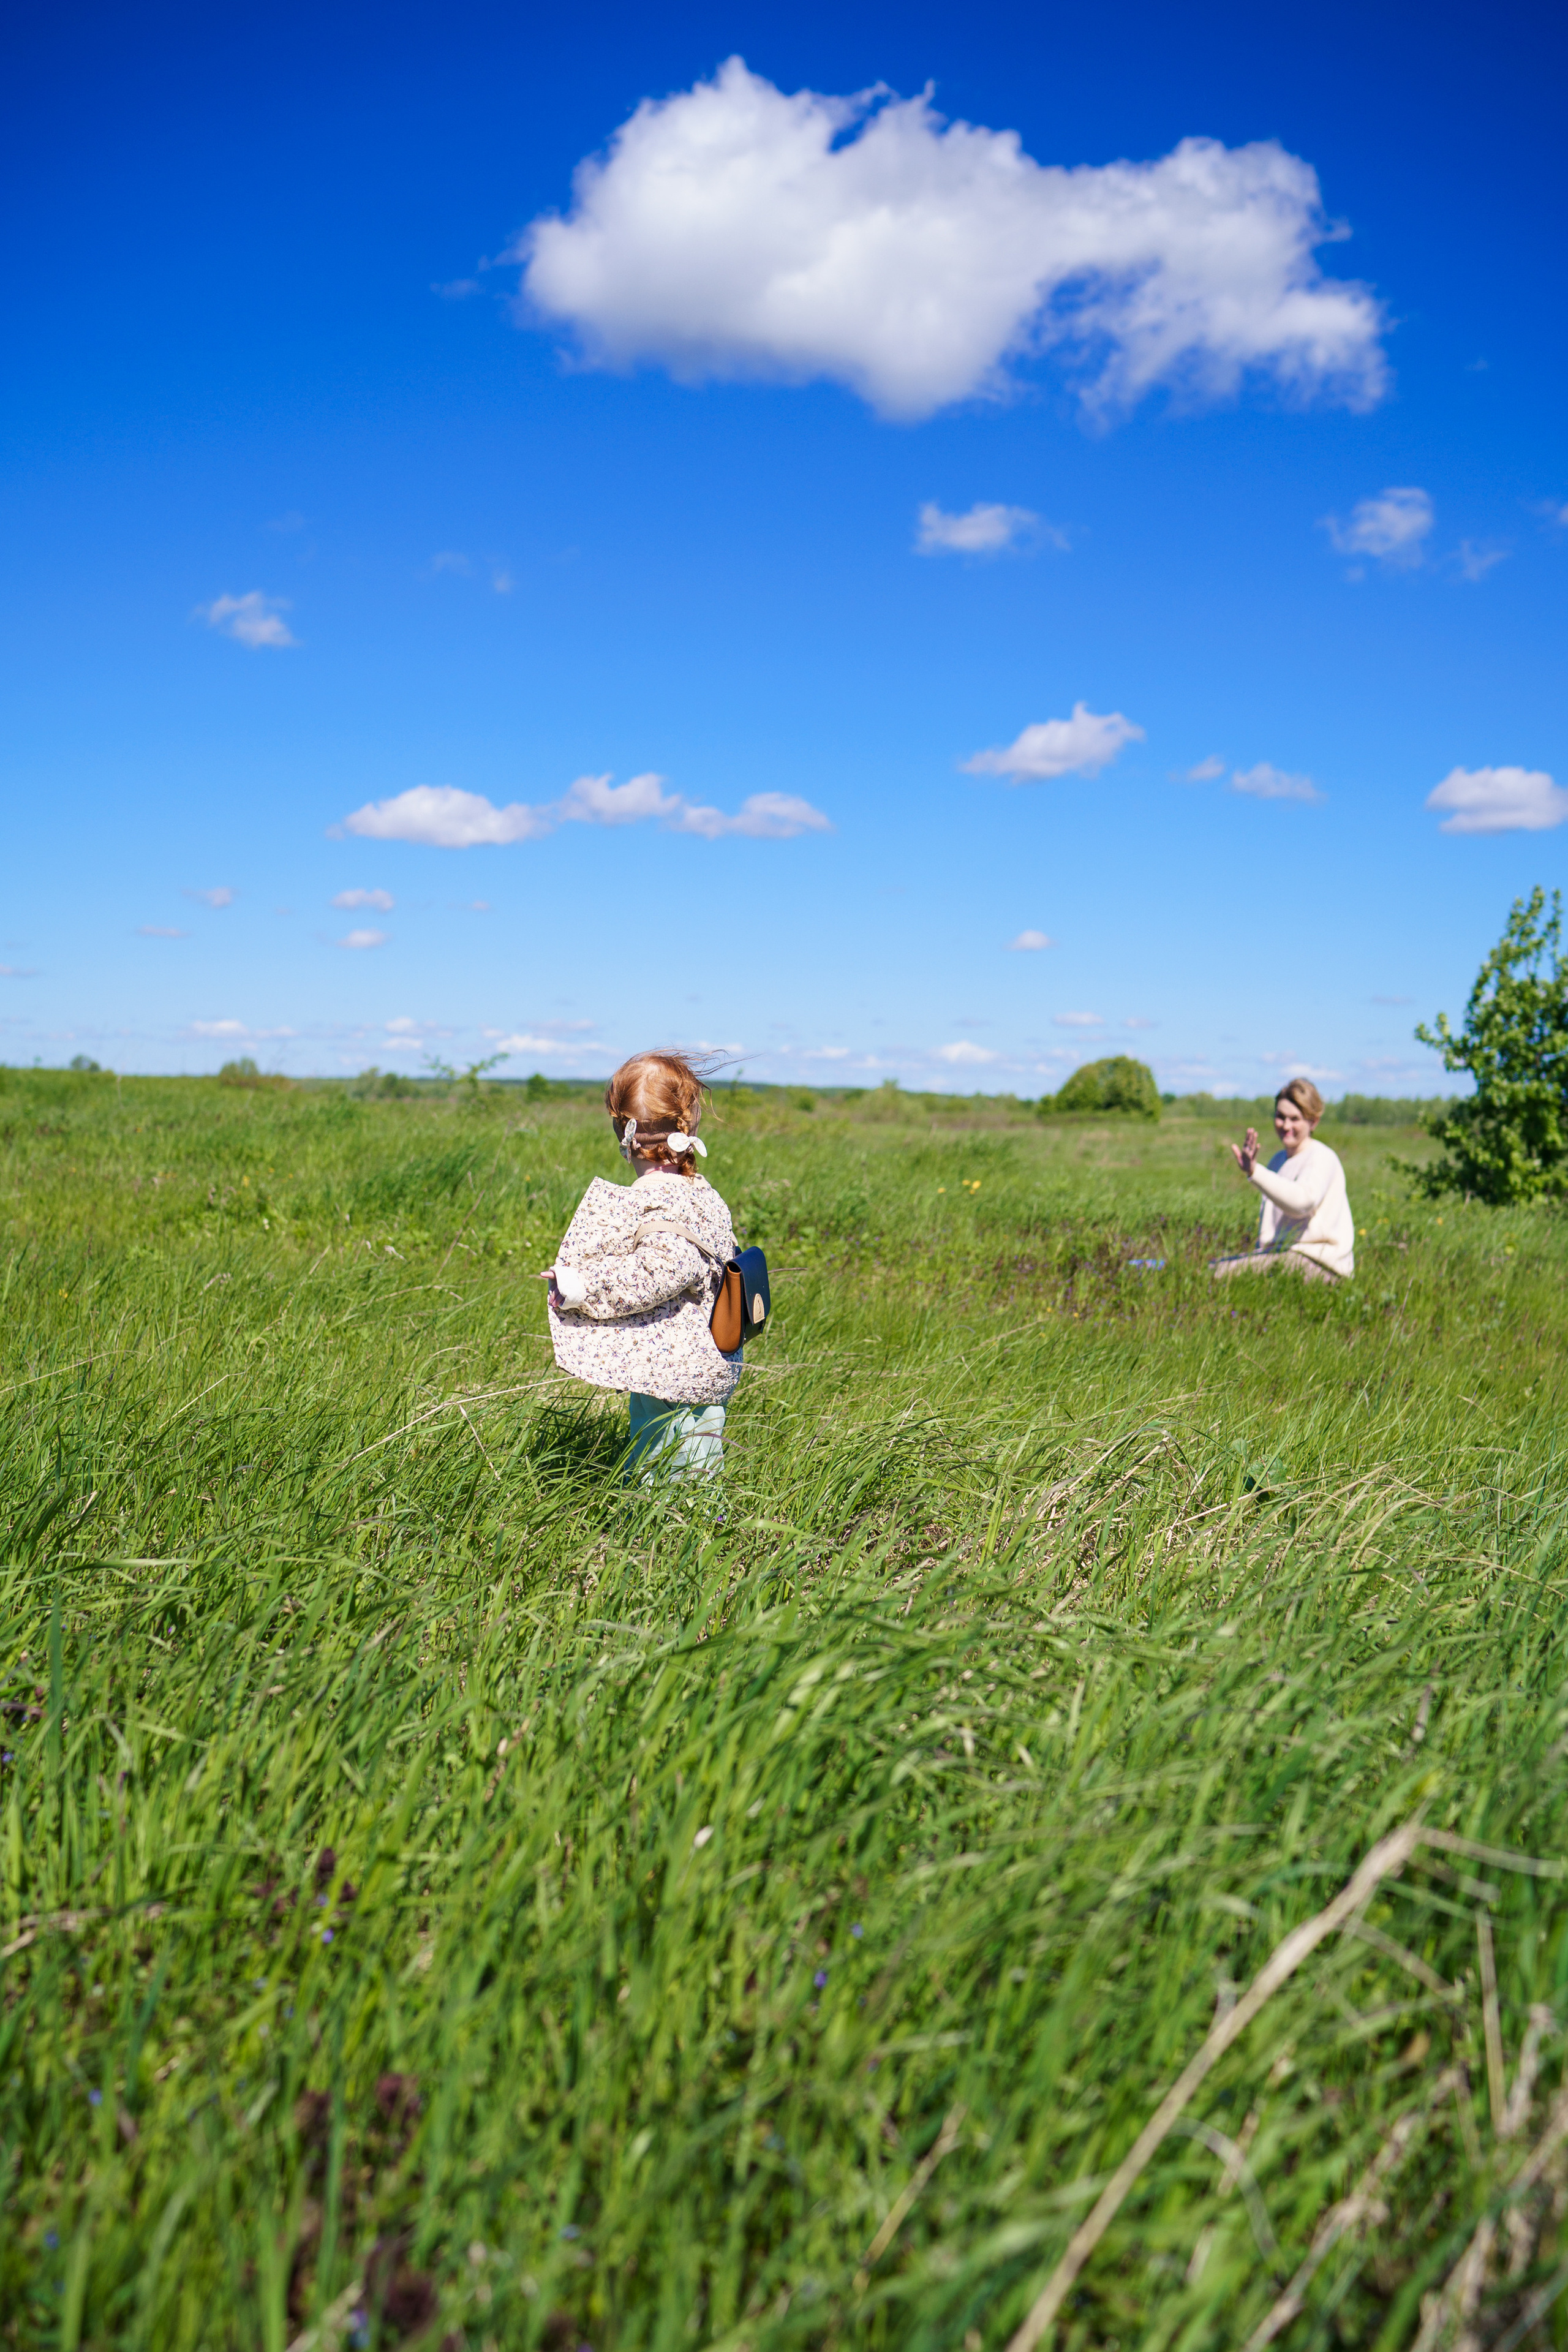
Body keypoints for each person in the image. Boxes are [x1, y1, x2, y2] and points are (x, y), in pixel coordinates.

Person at [543, 1050, 742, 1480]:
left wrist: (581, 1285)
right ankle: (704, 1528)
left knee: (660, 1462)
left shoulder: (660, 1199)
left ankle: (658, 1536)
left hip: (673, 1365)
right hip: (710, 1354)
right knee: (698, 1456)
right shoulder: (700, 1192)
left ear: (627, 1135)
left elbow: (659, 1273)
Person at [1211, 1078, 1355, 1283]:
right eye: (1281, 1117)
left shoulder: (1322, 1157)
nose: (1286, 1125)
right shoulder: (1278, 1160)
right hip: (1286, 1255)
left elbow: (1302, 1203)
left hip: (1321, 1264)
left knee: (1219, 1275)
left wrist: (1254, 1172)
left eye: (1295, 1118)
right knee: (1214, 1267)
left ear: (1313, 1121)